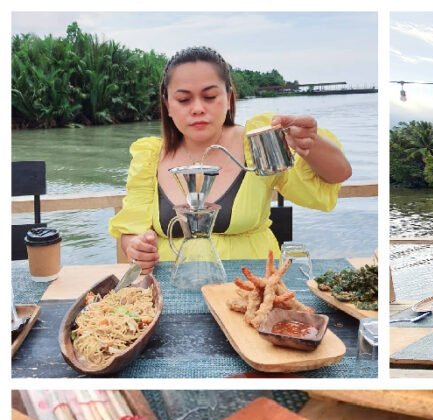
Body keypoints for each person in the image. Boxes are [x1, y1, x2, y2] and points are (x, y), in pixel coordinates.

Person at [110, 46, 352, 272]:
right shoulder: (149, 157)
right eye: (183, 100)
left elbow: (337, 174)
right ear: (168, 105)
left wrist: (310, 141)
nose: (197, 109)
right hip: (171, 287)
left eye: (210, 96)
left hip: (253, 285)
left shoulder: (259, 142)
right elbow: (131, 231)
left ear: (229, 98)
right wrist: (136, 246)